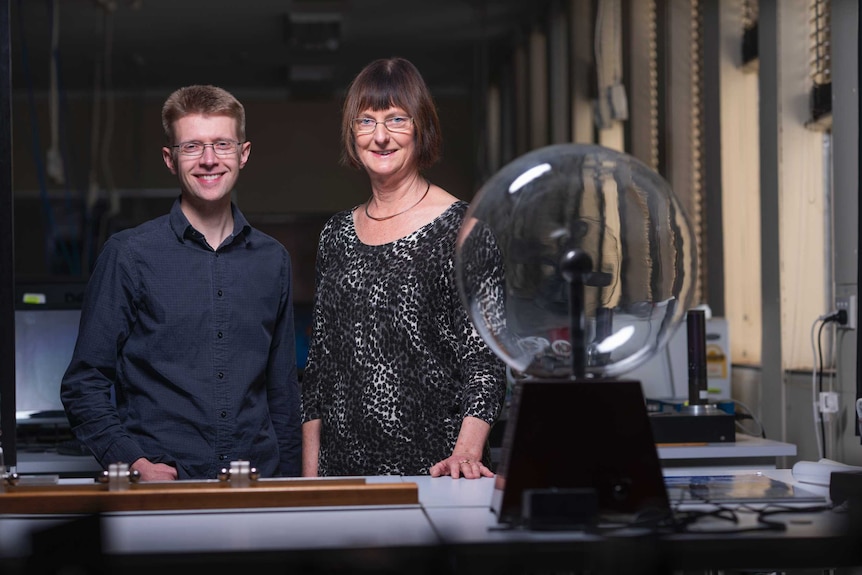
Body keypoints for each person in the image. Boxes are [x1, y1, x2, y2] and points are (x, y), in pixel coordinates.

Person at [61, 85, 301, 481]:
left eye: (222, 144)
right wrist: (135, 464)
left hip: (259, 486)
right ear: (170, 159)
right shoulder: (128, 256)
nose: (209, 160)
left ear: (243, 154)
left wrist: (293, 490)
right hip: (161, 490)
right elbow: (83, 384)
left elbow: (283, 393)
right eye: (192, 147)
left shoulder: (272, 260)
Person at [300, 57, 506, 479]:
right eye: (366, 121)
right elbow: (318, 371)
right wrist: (309, 480)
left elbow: (485, 361)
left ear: (421, 127)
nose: (380, 137)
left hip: (438, 472)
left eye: (396, 119)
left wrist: (466, 453)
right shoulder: (335, 235)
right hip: (344, 476)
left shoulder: (464, 230)